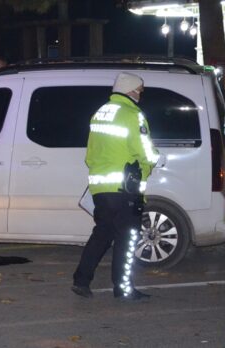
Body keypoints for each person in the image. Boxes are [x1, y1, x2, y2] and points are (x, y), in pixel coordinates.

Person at [71, 72, 160, 301]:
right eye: (140, 90)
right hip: (124, 189)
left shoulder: (100, 113)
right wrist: (153, 161)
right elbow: (145, 151)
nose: (141, 94)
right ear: (130, 90)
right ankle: (123, 288)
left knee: (102, 234)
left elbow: (90, 154)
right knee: (127, 238)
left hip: (101, 187)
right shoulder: (133, 115)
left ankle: (81, 281)